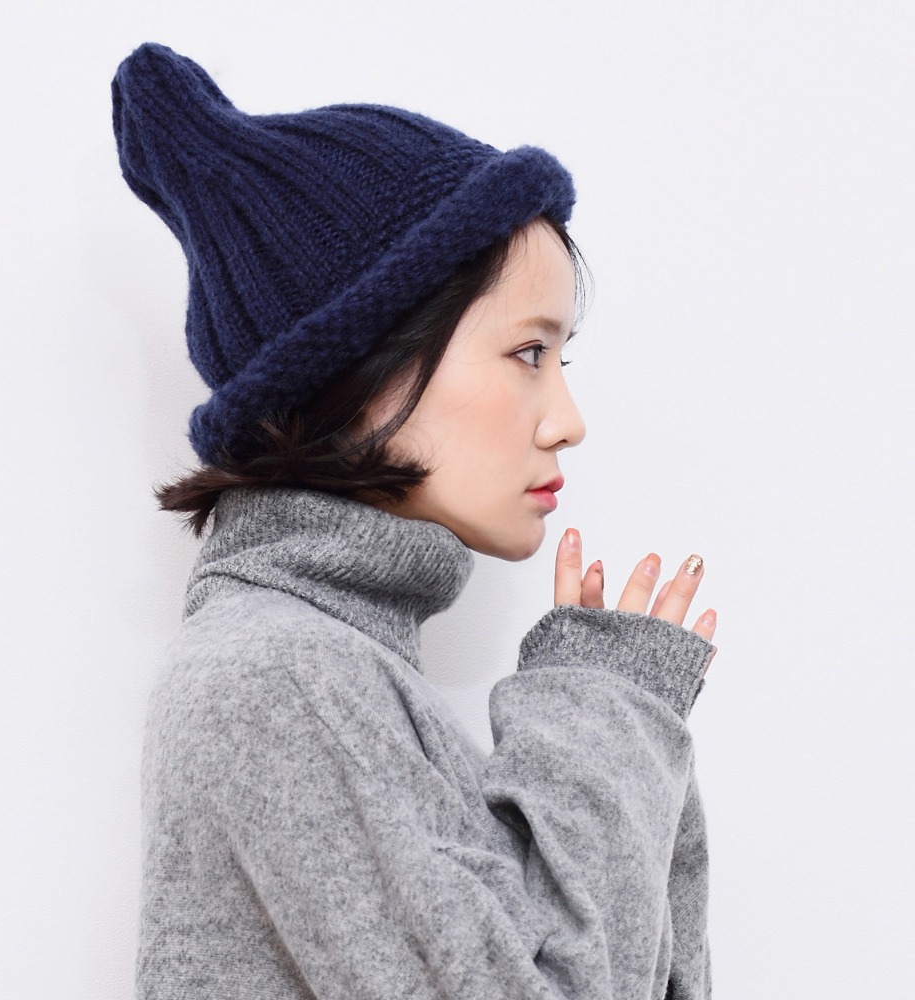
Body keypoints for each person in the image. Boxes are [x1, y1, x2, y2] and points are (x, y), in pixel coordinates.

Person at [112, 42, 719, 1000]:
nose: (567, 420)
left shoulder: (339, 671)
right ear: (363, 365)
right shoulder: (276, 677)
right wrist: (607, 719)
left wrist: (631, 733)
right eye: (529, 354)